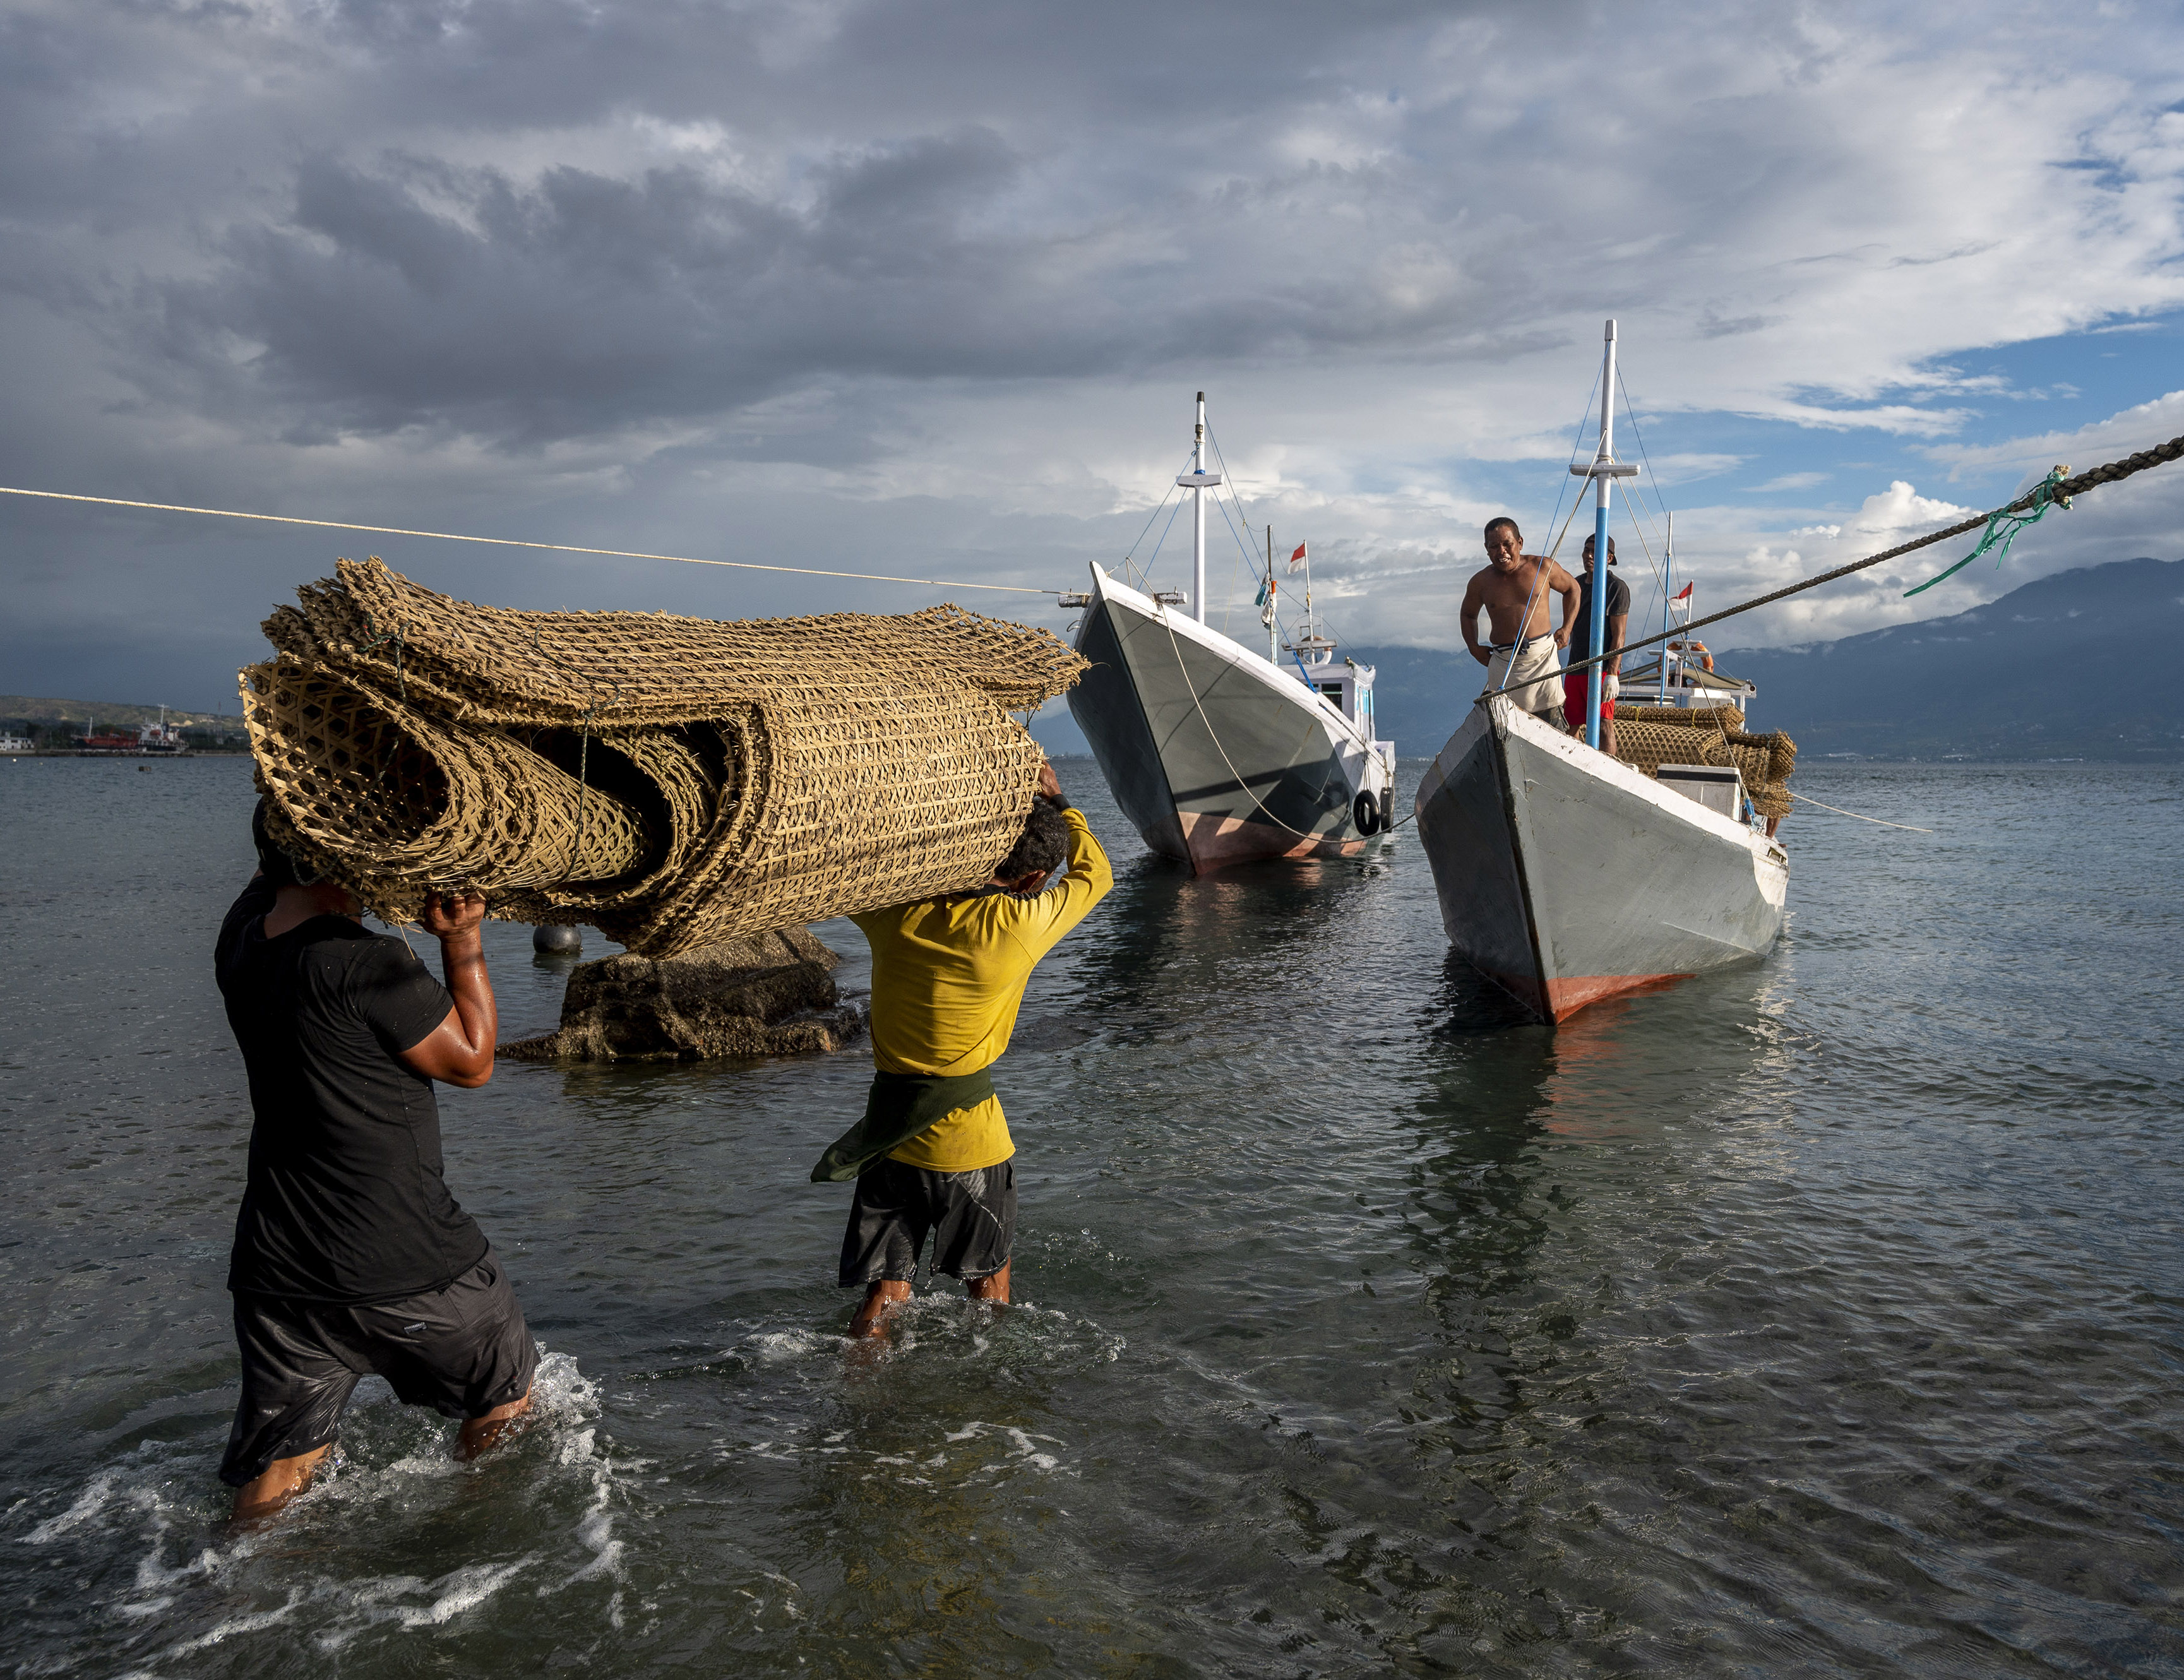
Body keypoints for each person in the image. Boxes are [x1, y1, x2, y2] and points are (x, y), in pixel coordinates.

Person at [213, 802, 535, 1522]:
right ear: (352, 864)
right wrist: (462, 940)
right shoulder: (365, 962)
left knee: (282, 1464)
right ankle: (472, 1544)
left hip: (279, 1265)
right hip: (409, 1257)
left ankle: (224, 1600)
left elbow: (268, 874)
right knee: (506, 1397)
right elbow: (472, 1062)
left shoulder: (238, 945)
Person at [812, 760, 1111, 1337]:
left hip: (891, 1140)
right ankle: (981, 1410)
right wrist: (1061, 799)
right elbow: (1096, 875)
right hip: (971, 1143)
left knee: (884, 1295)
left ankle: (855, 1404)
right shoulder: (1017, 925)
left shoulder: (896, 914)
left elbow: (840, 869)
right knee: (989, 1292)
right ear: (1030, 882)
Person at [1459, 517, 1580, 727]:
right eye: (1494, 546)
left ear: (1520, 543)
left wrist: (1567, 628)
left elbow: (1573, 589)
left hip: (1542, 660)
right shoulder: (1480, 582)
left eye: (1507, 544)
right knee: (1504, 729)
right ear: (1487, 549)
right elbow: (1468, 615)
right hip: (1503, 662)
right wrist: (1473, 647)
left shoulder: (1542, 567)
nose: (1502, 551)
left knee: (1553, 728)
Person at [1564, 533, 1631, 756]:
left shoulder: (1616, 588)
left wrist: (1612, 673)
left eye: (1595, 552)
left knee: (1604, 723)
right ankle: (1573, 768)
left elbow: (1619, 635)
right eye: (1587, 551)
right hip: (1575, 667)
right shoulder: (1575, 585)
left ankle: (1608, 771)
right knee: (1571, 724)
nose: (1589, 556)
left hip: (1602, 669)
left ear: (1609, 558)